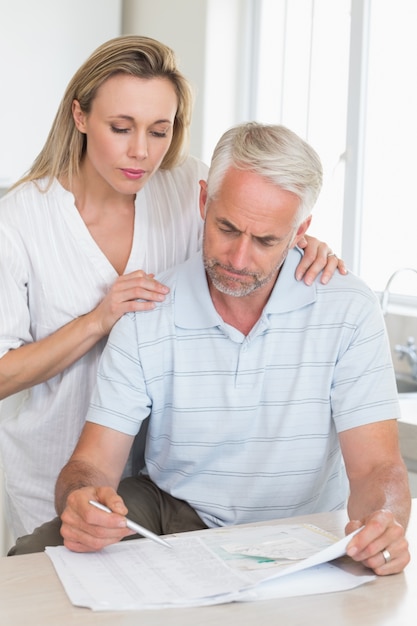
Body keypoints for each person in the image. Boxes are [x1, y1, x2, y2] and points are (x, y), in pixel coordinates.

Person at [9, 122, 410, 576]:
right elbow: (91, 464)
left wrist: (386, 522)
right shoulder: (147, 312)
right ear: (203, 200)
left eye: (265, 240)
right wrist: (80, 500)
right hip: (172, 513)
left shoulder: (348, 309)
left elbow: (377, 468)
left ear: (301, 230)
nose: (239, 260)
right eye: (227, 228)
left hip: (301, 531)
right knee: (30, 564)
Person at [0, 36, 345, 540]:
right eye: (121, 128)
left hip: (165, 483)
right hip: (54, 471)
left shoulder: (187, 188)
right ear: (79, 116)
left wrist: (306, 246)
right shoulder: (20, 219)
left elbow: (254, 222)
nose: (142, 152)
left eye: (160, 131)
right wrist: (97, 321)